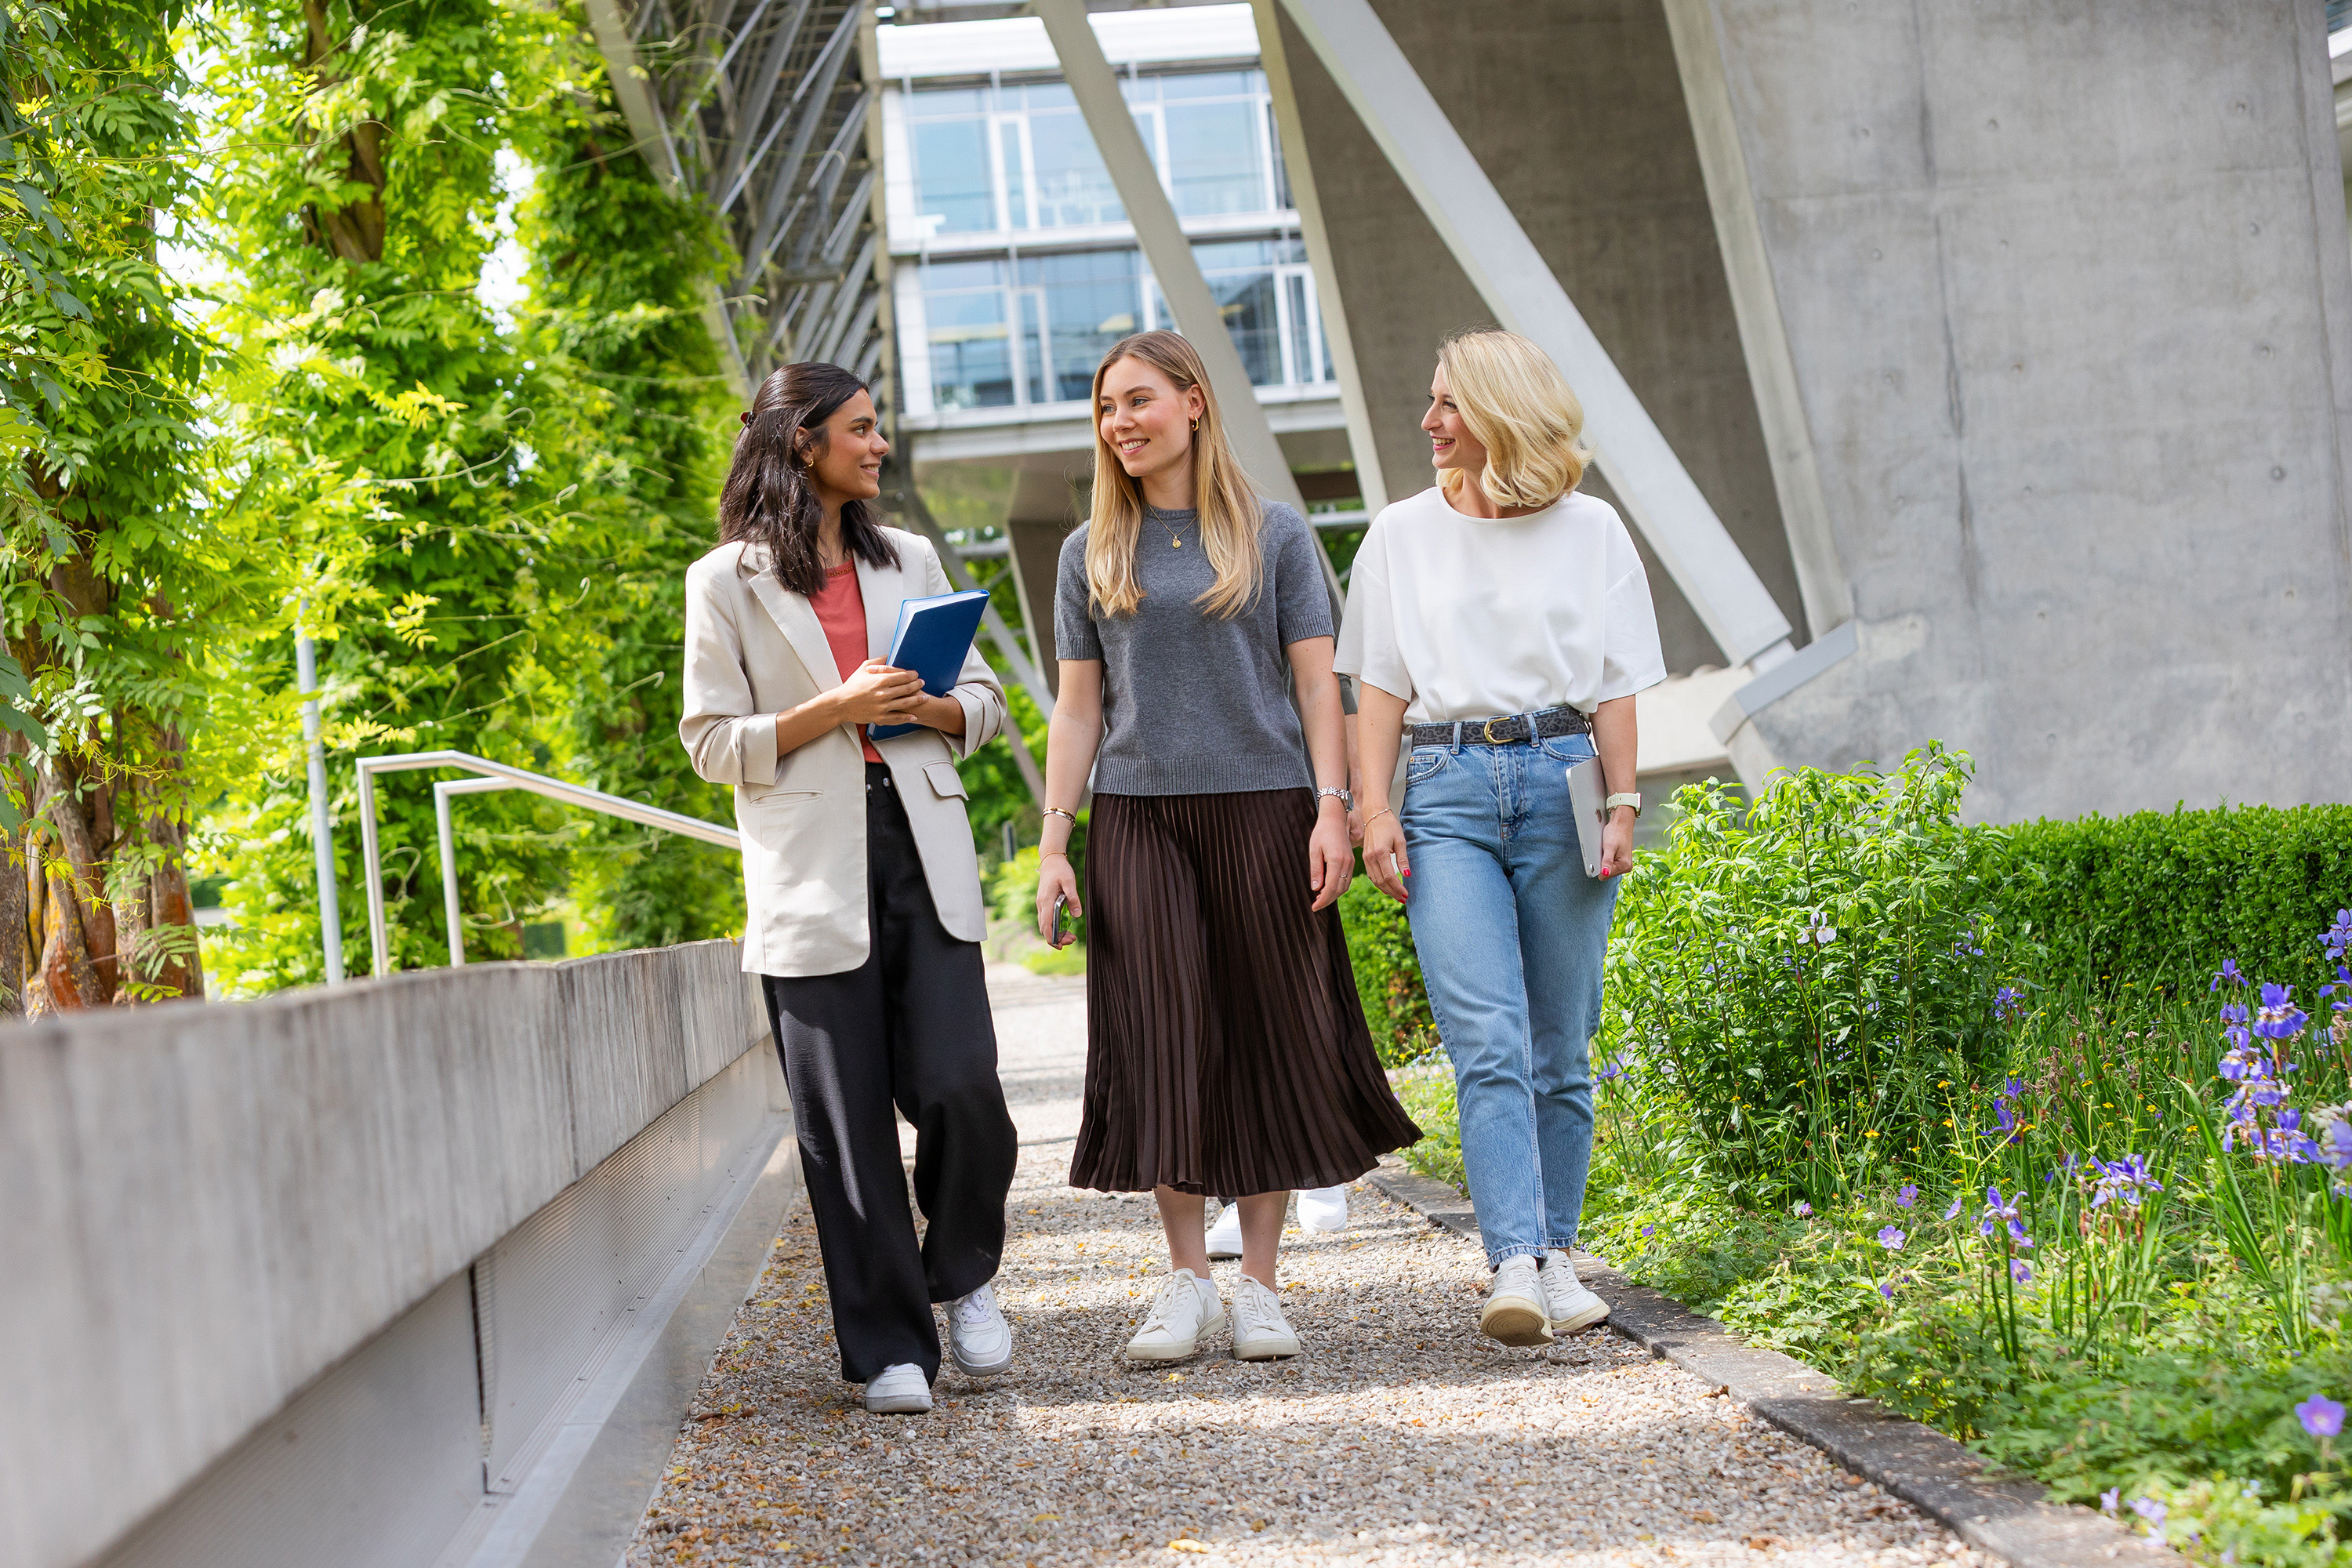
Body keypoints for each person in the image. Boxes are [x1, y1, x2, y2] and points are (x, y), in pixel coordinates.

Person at [1036, 329, 1420, 1363]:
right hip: (1137, 815)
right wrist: (1054, 841)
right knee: (1162, 1033)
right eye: (1107, 407)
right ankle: (1185, 1283)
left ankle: (1258, 1285)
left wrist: (1332, 808)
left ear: (1195, 402)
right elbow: (1077, 712)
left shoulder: (1276, 536)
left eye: (1139, 400)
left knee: (1265, 1033)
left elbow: (1316, 686)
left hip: (1267, 807)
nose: (1121, 422)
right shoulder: (1090, 552)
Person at [681, 362, 1019, 1414]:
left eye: (879, 430)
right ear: (801, 444)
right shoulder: (721, 582)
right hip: (807, 868)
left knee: (964, 1087)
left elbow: (987, 700)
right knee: (845, 1122)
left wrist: (936, 710)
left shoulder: (909, 556)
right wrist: (836, 707)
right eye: (861, 430)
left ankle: (961, 1273)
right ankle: (890, 1350)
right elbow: (708, 742)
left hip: (922, 842)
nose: (879, 447)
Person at [1338, 328, 1665, 1346]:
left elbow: (1613, 685)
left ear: (1503, 414)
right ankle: (1511, 1261)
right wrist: (1373, 808)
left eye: (1449, 405)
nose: (1429, 423)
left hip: (1564, 775)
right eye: (1430, 403)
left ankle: (1557, 1254)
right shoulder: (1399, 533)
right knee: (1486, 1040)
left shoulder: (1594, 529)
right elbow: (1378, 686)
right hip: (1443, 790)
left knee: (1561, 1045)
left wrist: (1622, 803)